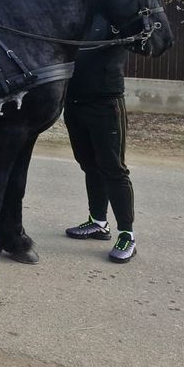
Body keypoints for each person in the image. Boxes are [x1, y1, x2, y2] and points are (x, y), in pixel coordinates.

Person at [63, 17, 136, 263]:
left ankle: (127, 234)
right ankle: (98, 223)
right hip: (74, 102)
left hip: (106, 103)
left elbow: (149, 43)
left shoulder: (119, 17)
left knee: (113, 168)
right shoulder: (79, 16)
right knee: (89, 165)